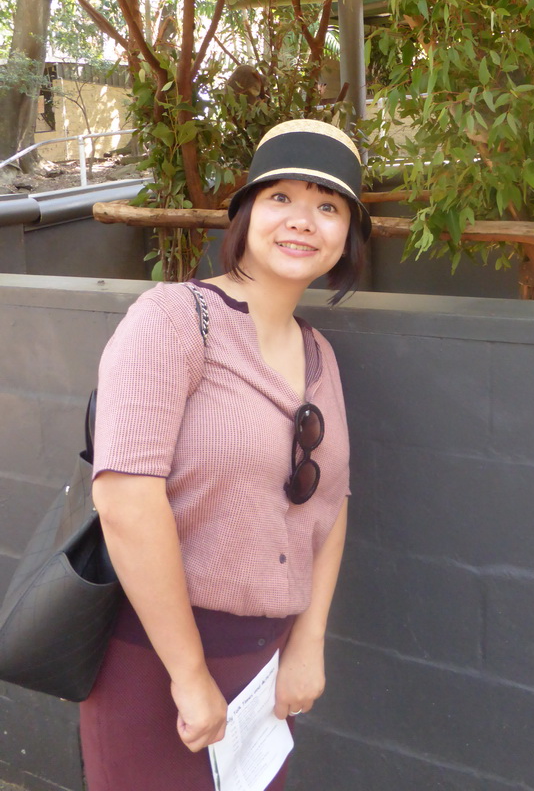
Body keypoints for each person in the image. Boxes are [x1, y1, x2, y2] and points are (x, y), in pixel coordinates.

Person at [80, 118, 371, 791]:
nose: (303, 221)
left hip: (264, 675)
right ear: (244, 215)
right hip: (156, 658)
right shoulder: (173, 320)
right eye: (281, 199)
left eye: (327, 207)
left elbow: (331, 507)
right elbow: (125, 500)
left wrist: (308, 641)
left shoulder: (320, 355)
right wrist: (188, 675)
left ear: (346, 237)